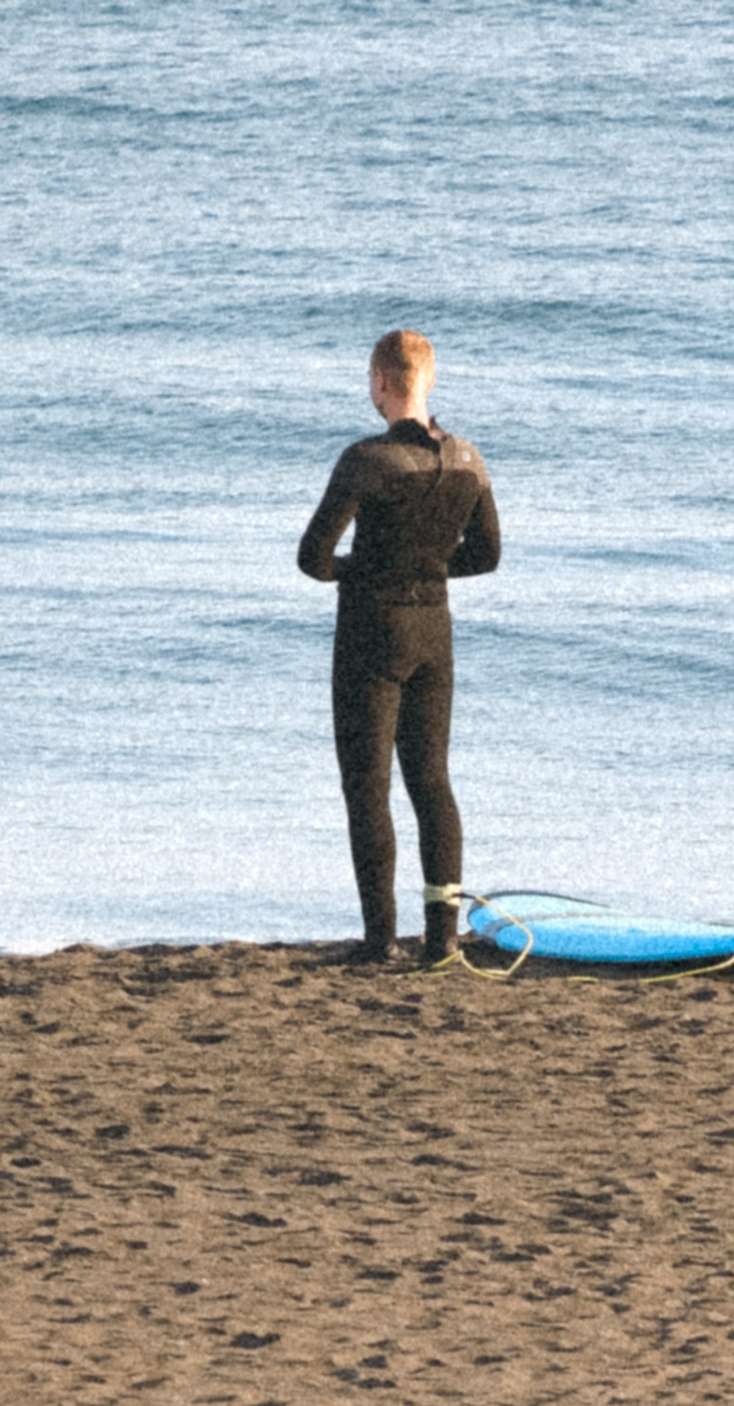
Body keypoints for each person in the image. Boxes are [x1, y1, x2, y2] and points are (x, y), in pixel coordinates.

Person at [297, 331, 501, 967]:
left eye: (370, 380)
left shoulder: (367, 460)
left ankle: (380, 939)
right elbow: (487, 555)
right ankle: (442, 941)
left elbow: (313, 557)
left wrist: (367, 570)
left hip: (372, 632)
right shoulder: (468, 459)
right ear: (429, 381)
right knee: (432, 782)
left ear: (382, 382)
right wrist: (430, 566)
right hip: (434, 634)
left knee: (368, 787)